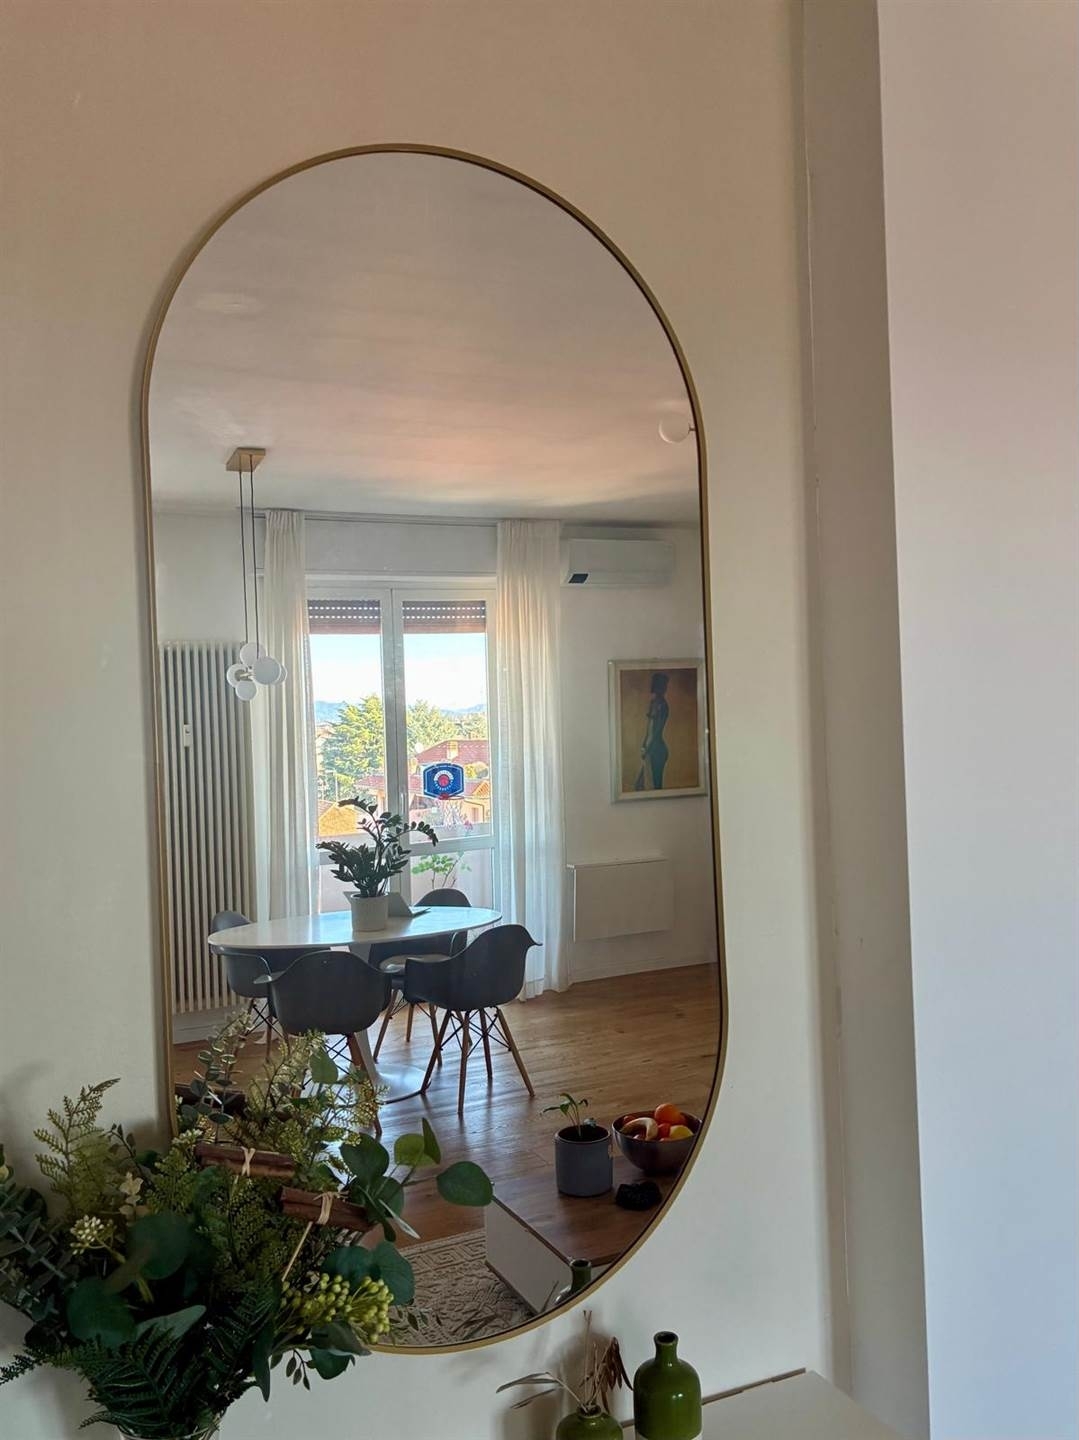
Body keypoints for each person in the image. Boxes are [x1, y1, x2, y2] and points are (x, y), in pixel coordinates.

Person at [636, 672, 670, 790]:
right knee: (641, 785)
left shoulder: (662, 705)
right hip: (651, 749)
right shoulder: (654, 703)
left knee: (656, 786)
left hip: (657, 751)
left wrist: (647, 748)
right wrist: (644, 745)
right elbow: (649, 728)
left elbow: (656, 731)